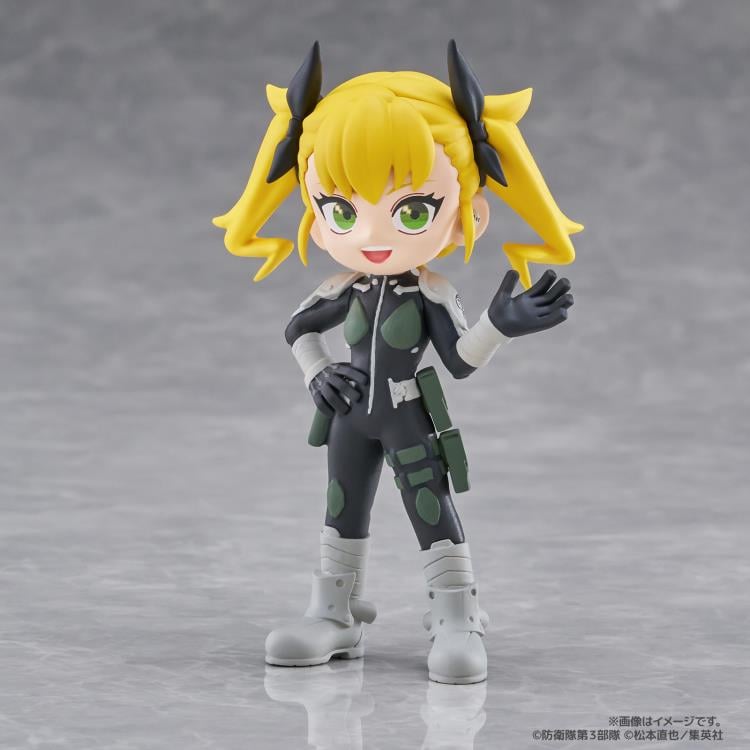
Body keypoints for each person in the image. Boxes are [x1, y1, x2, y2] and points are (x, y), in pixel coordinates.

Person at [213, 40, 582, 683]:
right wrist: (318, 372)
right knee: (341, 508)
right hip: (349, 417)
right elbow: (299, 329)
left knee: (430, 506)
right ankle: (334, 613)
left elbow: (459, 361)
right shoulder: (343, 288)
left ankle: (457, 616)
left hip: (409, 417)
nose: (371, 235)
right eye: (341, 211)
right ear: (315, 215)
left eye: (411, 210)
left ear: (469, 213)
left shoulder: (432, 294)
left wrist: (499, 325)